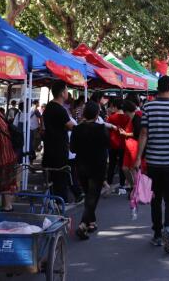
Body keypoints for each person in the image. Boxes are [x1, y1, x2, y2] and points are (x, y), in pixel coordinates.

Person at [134, 75, 169, 254]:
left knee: (155, 199)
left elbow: (143, 133)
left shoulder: (148, 107)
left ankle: (157, 234)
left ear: (158, 88)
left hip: (153, 162)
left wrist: (138, 157)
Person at [70, 101, 109, 239]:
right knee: (92, 196)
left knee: (89, 195)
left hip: (81, 165)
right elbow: (107, 146)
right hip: (97, 166)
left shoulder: (77, 129)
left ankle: (91, 222)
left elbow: (73, 149)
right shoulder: (101, 128)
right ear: (97, 114)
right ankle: (83, 224)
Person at [42, 80, 75, 202]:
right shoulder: (60, 110)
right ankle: (61, 204)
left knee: (52, 178)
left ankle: (53, 203)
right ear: (62, 93)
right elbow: (71, 126)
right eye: (66, 90)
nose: (67, 92)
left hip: (49, 147)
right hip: (59, 149)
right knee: (60, 178)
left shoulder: (48, 107)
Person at [106, 98, 131, 192]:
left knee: (112, 164)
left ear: (115, 106)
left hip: (113, 144)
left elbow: (108, 130)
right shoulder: (127, 117)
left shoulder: (111, 117)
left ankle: (109, 182)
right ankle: (122, 183)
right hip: (123, 143)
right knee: (122, 164)